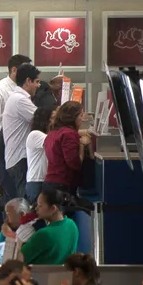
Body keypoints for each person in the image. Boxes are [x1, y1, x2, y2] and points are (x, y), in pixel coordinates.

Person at [43, 100, 95, 254]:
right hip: (63, 185)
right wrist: (82, 146)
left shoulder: (52, 134)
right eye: (80, 115)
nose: (82, 118)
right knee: (66, 225)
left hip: (50, 183)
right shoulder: (69, 134)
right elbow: (74, 163)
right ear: (72, 117)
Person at [0, 54, 31, 180]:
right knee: (4, 185)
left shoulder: (26, 89)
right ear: (14, 70)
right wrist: (5, 142)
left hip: (19, 145)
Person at [0, 63, 41, 203]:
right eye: (37, 81)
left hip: (16, 158)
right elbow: (42, 119)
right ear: (28, 81)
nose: (38, 85)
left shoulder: (17, 98)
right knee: (24, 206)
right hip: (20, 159)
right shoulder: (20, 100)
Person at [19, 188, 78, 266]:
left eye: (40, 206)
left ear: (53, 208)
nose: (36, 208)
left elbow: (18, 259)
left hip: (38, 276)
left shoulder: (44, 234)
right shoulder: (72, 225)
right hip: (62, 276)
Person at [23, 104, 53, 203]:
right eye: (53, 118)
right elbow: (55, 142)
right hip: (36, 182)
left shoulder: (46, 135)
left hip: (43, 181)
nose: (55, 121)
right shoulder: (35, 135)